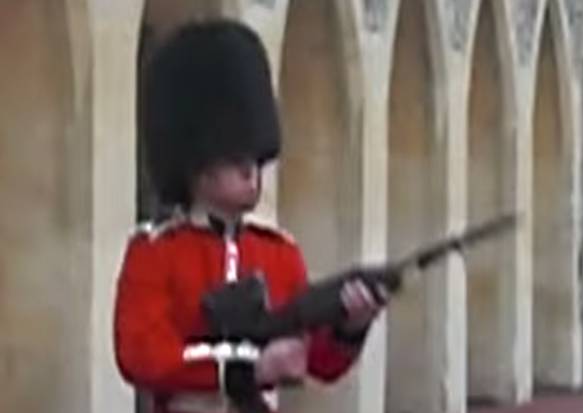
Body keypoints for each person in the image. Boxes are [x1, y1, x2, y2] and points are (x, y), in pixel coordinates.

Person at [113, 20, 387, 413]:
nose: (252, 172)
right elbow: (143, 355)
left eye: (256, 160)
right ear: (197, 163)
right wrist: (245, 370)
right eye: (236, 159)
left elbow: (319, 363)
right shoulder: (155, 253)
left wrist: (351, 326)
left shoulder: (279, 254)